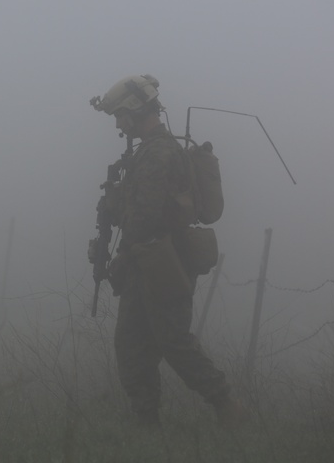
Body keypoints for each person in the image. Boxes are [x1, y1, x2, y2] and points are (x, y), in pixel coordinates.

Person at [90, 74, 247, 428]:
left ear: (133, 112)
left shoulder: (157, 152)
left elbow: (145, 215)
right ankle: (146, 423)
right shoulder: (147, 151)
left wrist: (122, 252)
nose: (118, 124)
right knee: (131, 344)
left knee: (173, 340)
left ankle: (227, 404)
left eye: (119, 116)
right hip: (147, 258)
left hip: (162, 258)